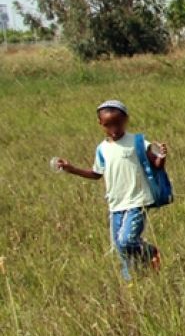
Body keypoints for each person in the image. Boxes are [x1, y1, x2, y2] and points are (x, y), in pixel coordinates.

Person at [56, 100, 166, 281]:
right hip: (115, 204)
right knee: (120, 248)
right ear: (100, 124)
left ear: (126, 120)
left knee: (126, 241)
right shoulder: (103, 149)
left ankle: (150, 252)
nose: (114, 128)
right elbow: (96, 174)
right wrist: (72, 169)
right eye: (108, 125)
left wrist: (161, 156)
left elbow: (156, 164)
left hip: (137, 201)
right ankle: (131, 282)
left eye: (118, 123)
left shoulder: (137, 142)